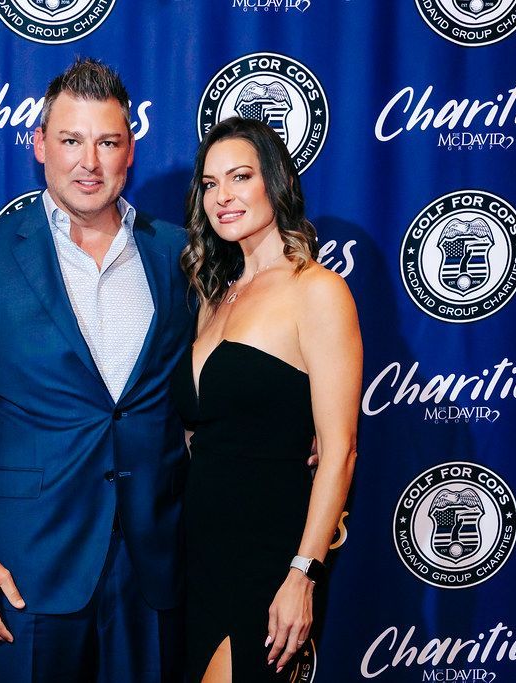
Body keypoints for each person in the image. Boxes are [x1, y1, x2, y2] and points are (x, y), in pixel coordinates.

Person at [0, 58, 193, 682]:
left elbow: (221, 370)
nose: (88, 162)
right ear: (40, 144)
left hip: (155, 560)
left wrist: (295, 429)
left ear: (131, 150)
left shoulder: (178, 253)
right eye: (71, 140)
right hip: (30, 568)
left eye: (107, 142)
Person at [171, 117, 362, 682]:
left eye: (239, 177)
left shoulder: (317, 291)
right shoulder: (215, 296)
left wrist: (302, 572)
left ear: (274, 182)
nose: (222, 196)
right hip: (202, 547)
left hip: (272, 552)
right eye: (209, 184)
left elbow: (340, 449)